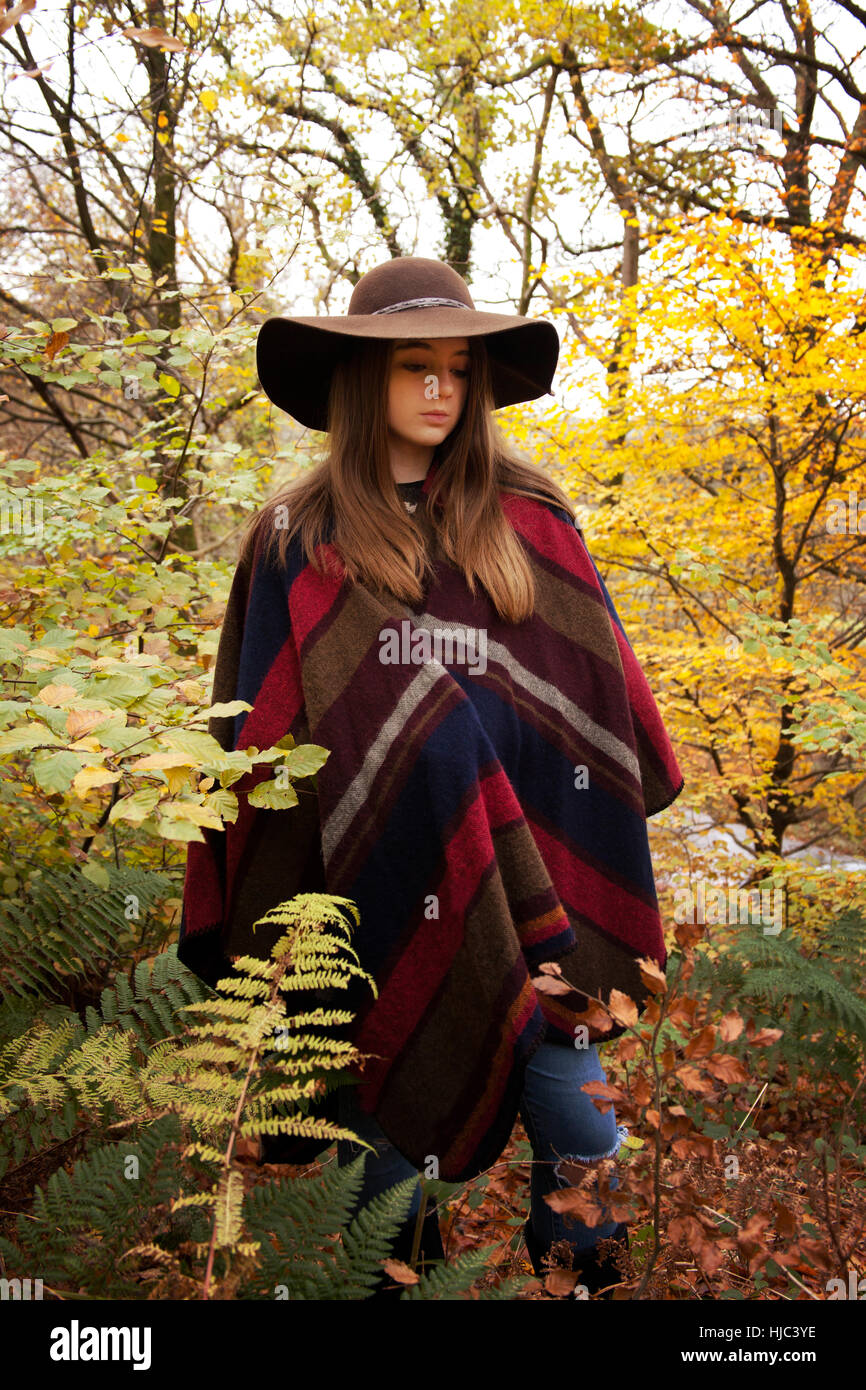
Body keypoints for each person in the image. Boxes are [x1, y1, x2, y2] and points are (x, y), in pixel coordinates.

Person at [178, 256, 684, 1300]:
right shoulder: (296, 537)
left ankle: (580, 1292)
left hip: (535, 900)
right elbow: (262, 752)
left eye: (459, 367)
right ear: (362, 382)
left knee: (585, 1141)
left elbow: (595, 708)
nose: (441, 390)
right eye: (414, 366)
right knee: (390, 1194)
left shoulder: (528, 517)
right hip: (374, 912)